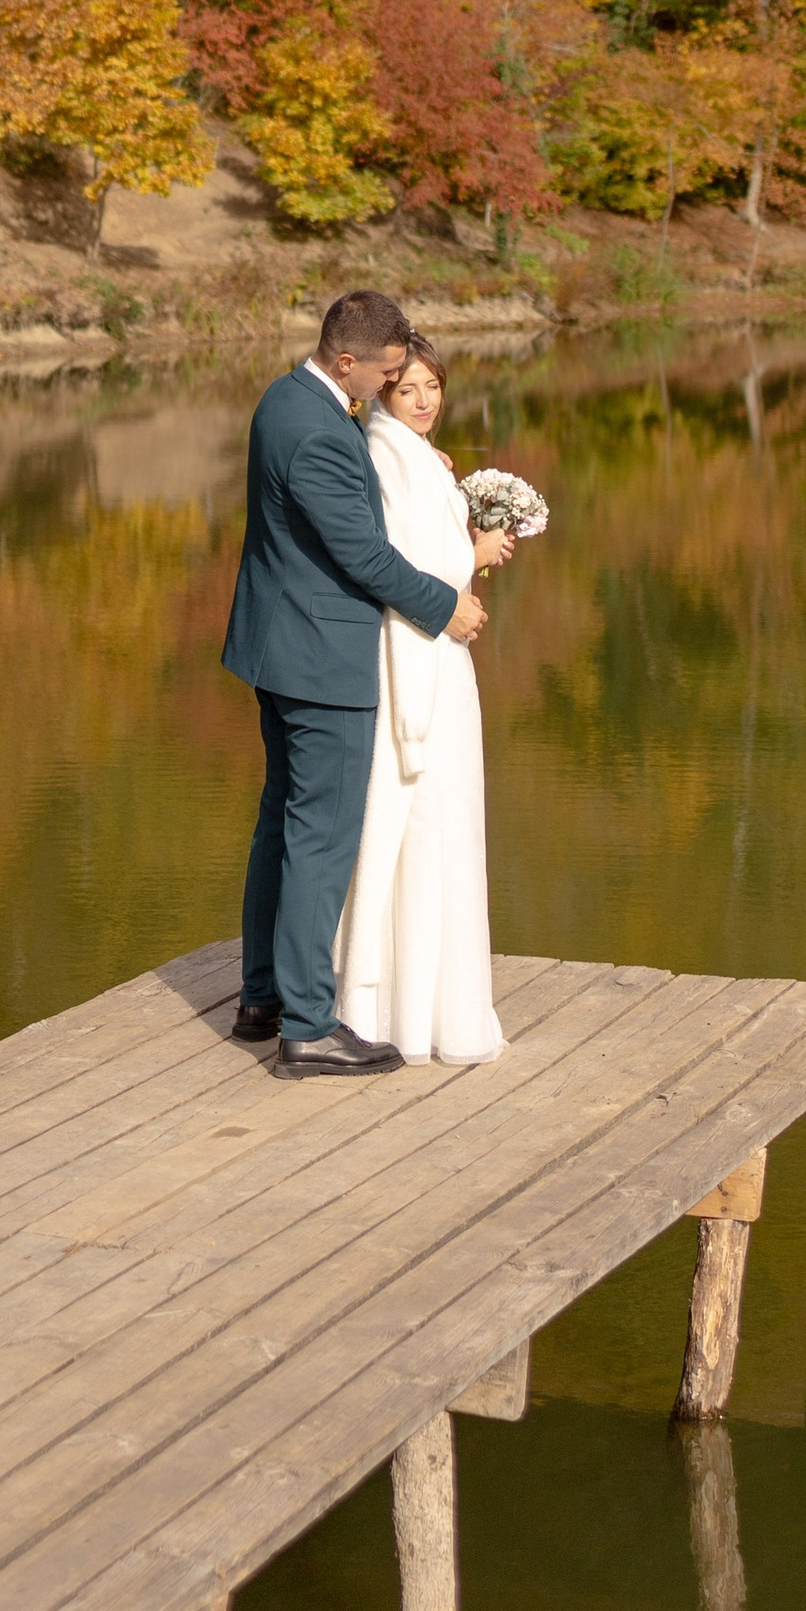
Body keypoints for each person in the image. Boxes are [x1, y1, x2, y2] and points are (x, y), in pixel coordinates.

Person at [221, 288, 487, 1075]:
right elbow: (364, 558)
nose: (392, 382)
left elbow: (344, 507)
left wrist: (412, 458)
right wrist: (446, 609)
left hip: (276, 648)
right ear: (348, 361)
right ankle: (307, 1025)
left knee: (281, 825)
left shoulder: (290, 399)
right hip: (319, 661)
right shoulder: (317, 435)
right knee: (320, 838)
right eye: (386, 371)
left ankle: (261, 997)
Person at [335, 342, 518, 1062]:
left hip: (442, 656)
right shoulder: (384, 456)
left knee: (445, 824)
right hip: (417, 655)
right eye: (407, 387)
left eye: (432, 385)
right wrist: (470, 557)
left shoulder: (415, 455)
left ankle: (436, 1004)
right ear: (380, 390)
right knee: (417, 821)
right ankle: (396, 1011)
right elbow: (393, 561)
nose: (422, 400)